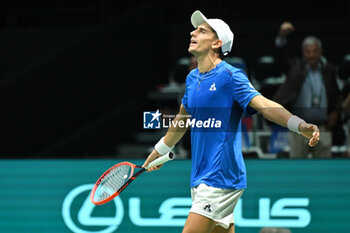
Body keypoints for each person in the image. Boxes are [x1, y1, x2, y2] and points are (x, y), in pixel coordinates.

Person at [143, 11, 320, 233]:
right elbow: (181, 120)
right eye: (195, 29)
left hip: (220, 177)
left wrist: (298, 124)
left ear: (217, 43)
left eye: (201, 30)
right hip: (201, 177)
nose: (192, 32)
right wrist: (160, 150)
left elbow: (264, 105)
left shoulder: (231, 76)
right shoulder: (192, 79)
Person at [272, 22, 341, 158]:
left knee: (323, 171)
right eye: (308, 52)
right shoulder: (295, 68)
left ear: (320, 52)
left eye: (315, 51)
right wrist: (281, 37)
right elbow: (279, 59)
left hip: (323, 128)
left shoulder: (329, 71)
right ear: (303, 53)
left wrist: (336, 112)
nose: (312, 55)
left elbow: (337, 96)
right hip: (298, 127)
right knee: (297, 172)